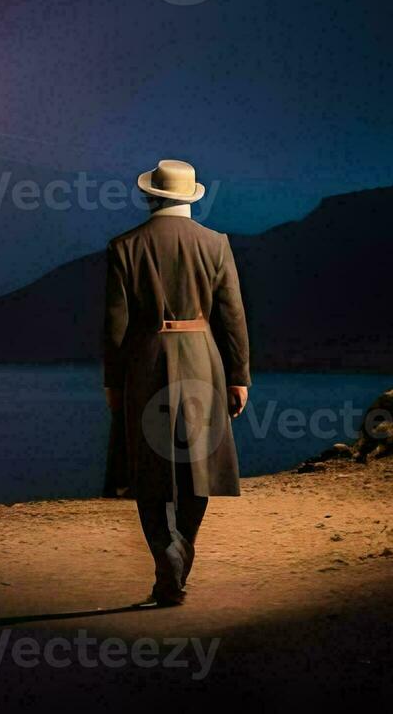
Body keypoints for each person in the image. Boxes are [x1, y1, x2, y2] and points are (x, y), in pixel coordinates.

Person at [102, 159, 251, 606]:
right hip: (205, 361)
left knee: (147, 472)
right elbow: (233, 317)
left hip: (145, 364)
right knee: (198, 470)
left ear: (151, 196)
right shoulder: (216, 244)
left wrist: (113, 380)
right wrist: (239, 376)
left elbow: (114, 325)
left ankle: (167, 555)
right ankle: (181, 551)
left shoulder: (124, 246)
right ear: (190, 197)